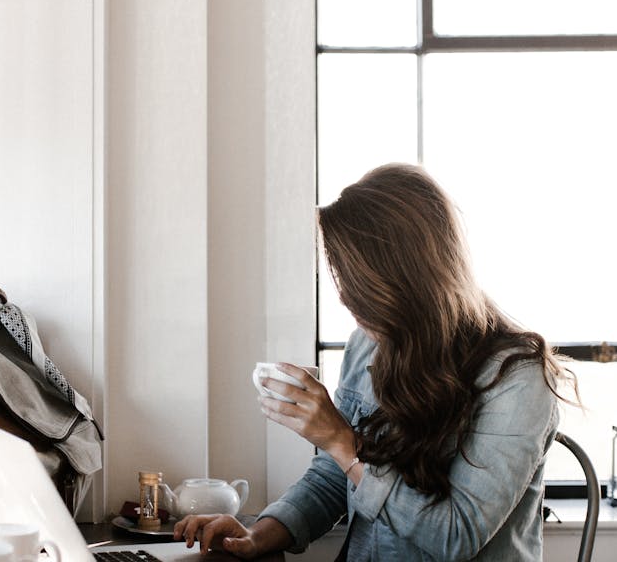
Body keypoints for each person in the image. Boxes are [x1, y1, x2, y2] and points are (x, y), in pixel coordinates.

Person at [174, 163, 578, 561]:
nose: (348, 301)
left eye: (357, 288)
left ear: (404, 281)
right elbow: (335, 478)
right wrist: (258, 534)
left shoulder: (518, 380)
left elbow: (457, 536)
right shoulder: (369, 346)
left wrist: (340, 440)